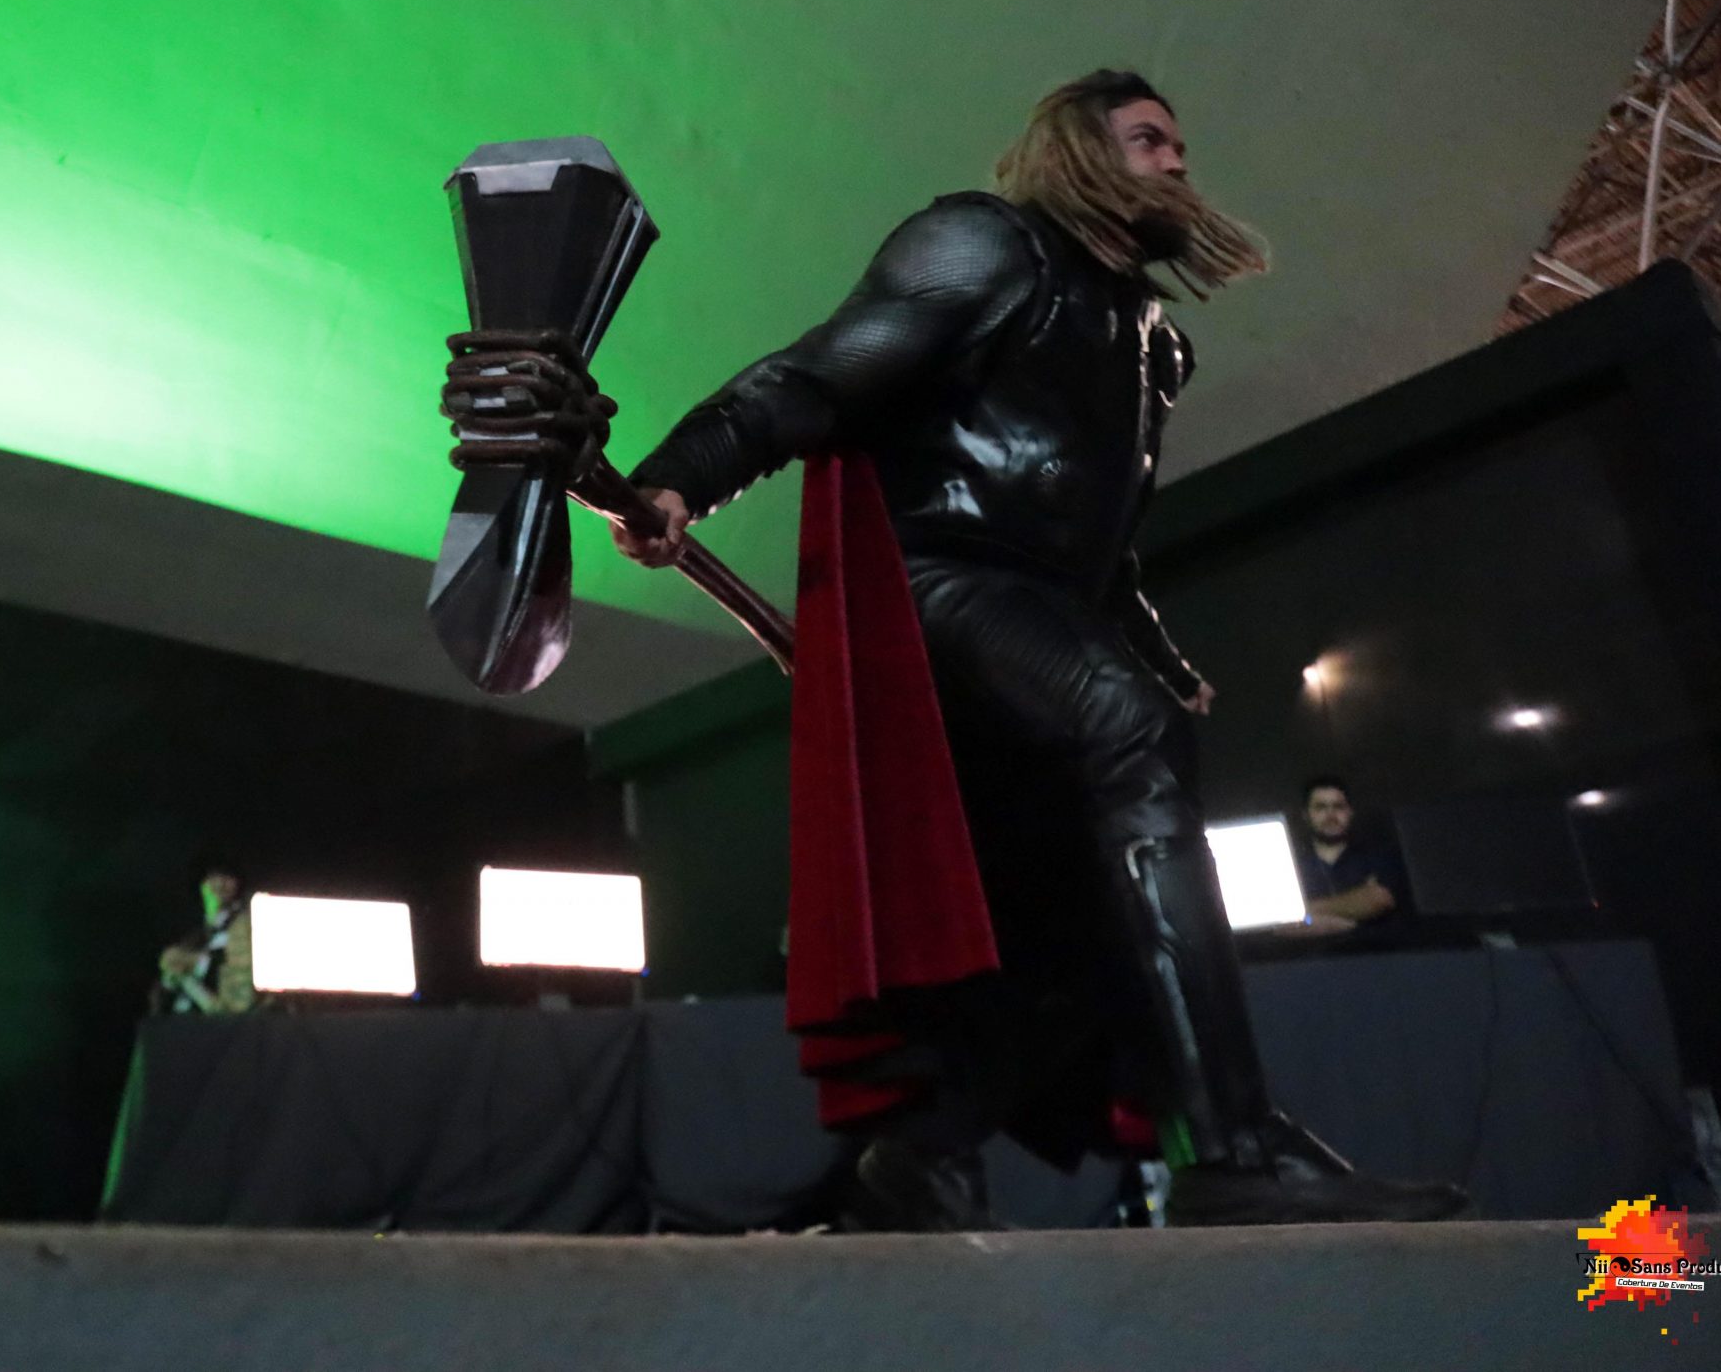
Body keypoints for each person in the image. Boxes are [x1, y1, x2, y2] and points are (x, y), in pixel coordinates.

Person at [612, 70, 1464, 1228]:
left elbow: (1092, 541)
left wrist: (1160, 660)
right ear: (1079, 149)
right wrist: (682, 475)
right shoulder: (983, 243)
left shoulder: (1151, 340)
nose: (1176, 161)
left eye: (1178, 143)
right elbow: (819, 373)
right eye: (1148, 138)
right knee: (1126, 736)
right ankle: (1233, 1152)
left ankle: (918, 1158)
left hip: (1041, 616)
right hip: (938, 587)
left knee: (1078, 927)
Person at [1291, 776, 1411, 933]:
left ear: (1350, 812)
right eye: (1320, 808)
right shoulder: (1291, 866)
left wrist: (1304, 911)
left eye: (1338, 807)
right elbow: (1280, 922)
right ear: (1306, 815)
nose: (1331, 815)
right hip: (1312, 949)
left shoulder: (1378, 856)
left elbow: (1378, 900)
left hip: (1376, 946)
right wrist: (1350, 914)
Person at [154, 858, 257, 1015]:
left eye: (226, 877)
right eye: (212, 878)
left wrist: (197, 963)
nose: (219, 884)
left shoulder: (249, 922)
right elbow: (163, 989)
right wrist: (171, 978)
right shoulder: (194, 933)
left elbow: (240, 971)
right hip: (181, 1019)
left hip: (224, 1020)